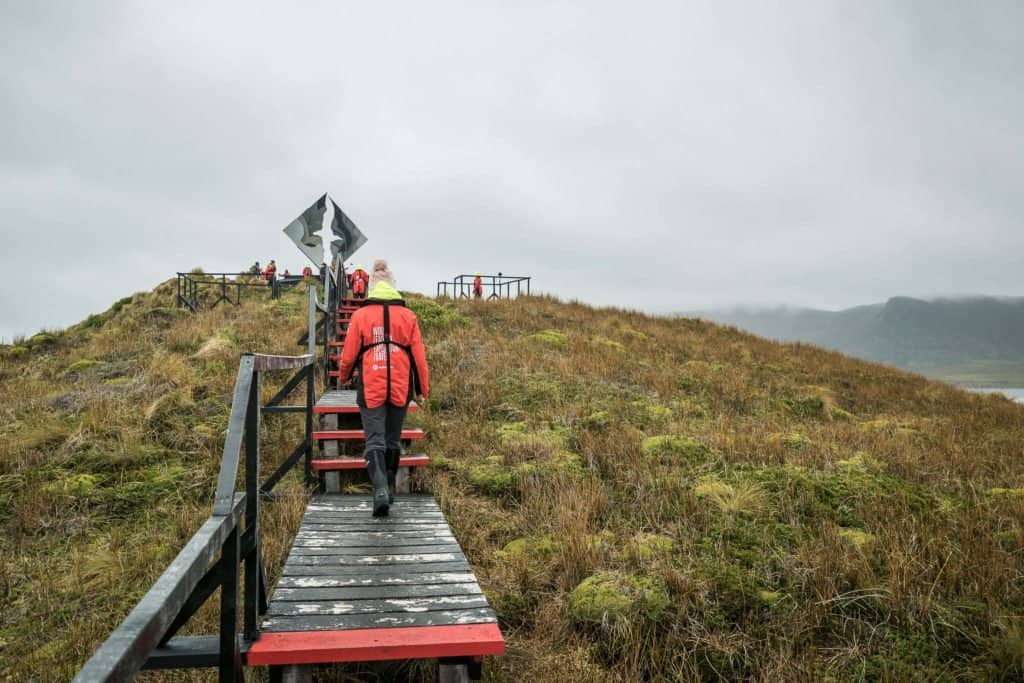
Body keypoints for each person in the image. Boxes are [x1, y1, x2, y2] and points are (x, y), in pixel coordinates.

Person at [335, 259, 430, 516]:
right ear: (393, 286)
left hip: (372, 383)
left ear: (371, 288)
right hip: (400, 385)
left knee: (374, 439)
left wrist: (344, 376)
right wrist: (422, 389)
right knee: (392, 440)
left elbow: (349, 353)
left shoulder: (361, 315)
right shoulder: (408, 316)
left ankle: (379, 490)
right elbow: (419, 359)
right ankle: (389, 485)